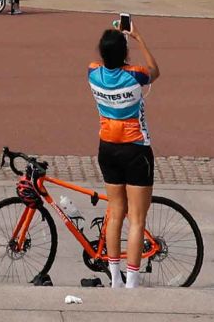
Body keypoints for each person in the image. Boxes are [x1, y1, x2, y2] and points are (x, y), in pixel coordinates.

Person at [89, 19, 160, 289]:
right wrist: (138, 38)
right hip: (135, 149)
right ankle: (132, 280)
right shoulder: (135, 75)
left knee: (115, 212)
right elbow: (155, 71)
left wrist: (113, 42)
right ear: (125, 55)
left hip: (107, 147)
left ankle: (115, 277)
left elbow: (101, 61)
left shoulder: (92, 73)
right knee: (137, 219)